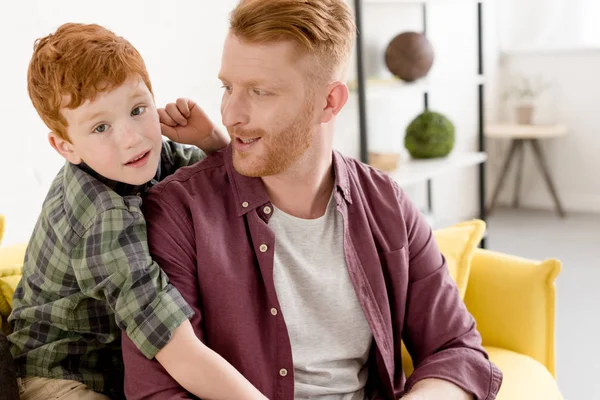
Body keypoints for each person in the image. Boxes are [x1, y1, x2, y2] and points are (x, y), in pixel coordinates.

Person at [122, 0, 503, 399]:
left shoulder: (385, 203)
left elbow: (457, 348)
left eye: (260, 92)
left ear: (329, 102)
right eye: (228, 87)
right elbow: (157, 391)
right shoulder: (179, 212)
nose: (231, 113)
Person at [8, 23, 267, 400]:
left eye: (137, 109)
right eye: (100, 127)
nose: (131, 137)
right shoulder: (100, 216)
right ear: (66, 147)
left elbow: (231, 192)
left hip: (122, 362)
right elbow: (176, 347)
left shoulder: (157, 155)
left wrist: (213, 142)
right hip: (61, 374)